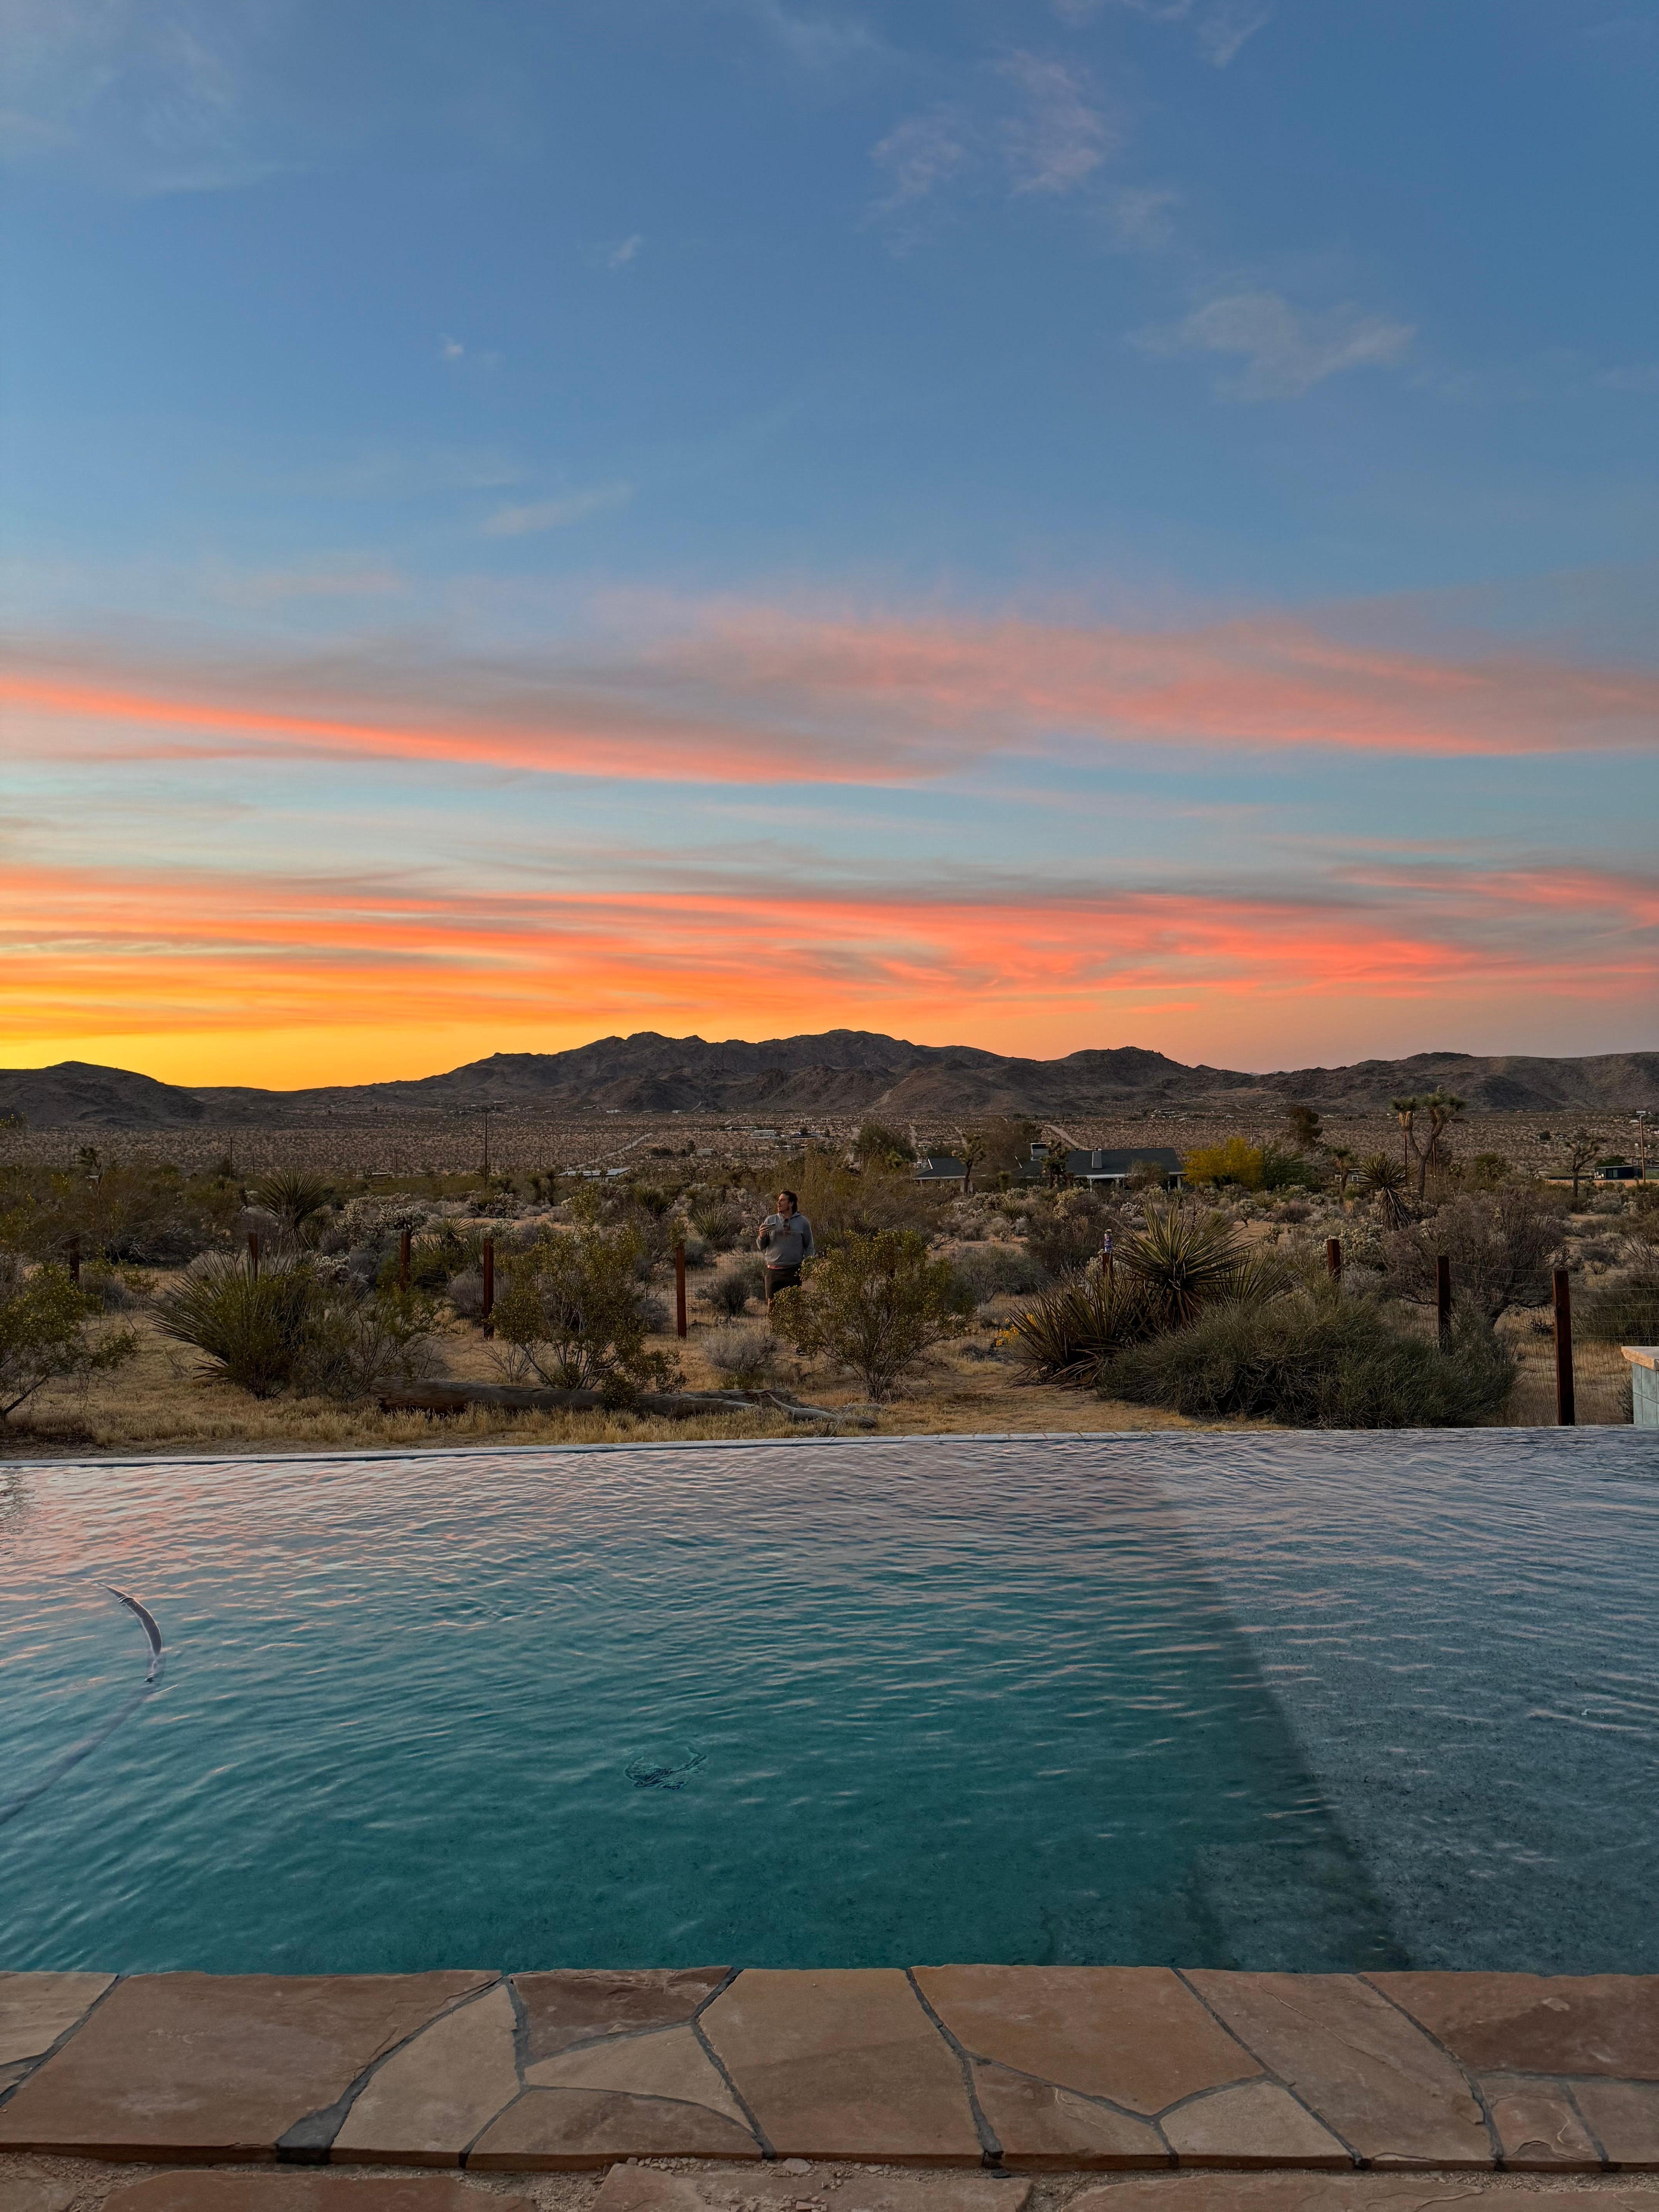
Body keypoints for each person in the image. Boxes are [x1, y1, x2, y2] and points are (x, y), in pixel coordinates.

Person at [757, 1188, 814, 1306]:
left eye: (783, 1200)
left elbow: (809, 1246)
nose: (779, 1203)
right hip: (773, 1271)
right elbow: (762, 1247)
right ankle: (773, 1325)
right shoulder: (771, 1220)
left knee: (794, 1306)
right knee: (773, 1306)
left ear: (791, 1203)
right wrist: (761, 1236)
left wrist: (808, 1266)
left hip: (793, 1271)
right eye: (778, 1200)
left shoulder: (803, 1222)